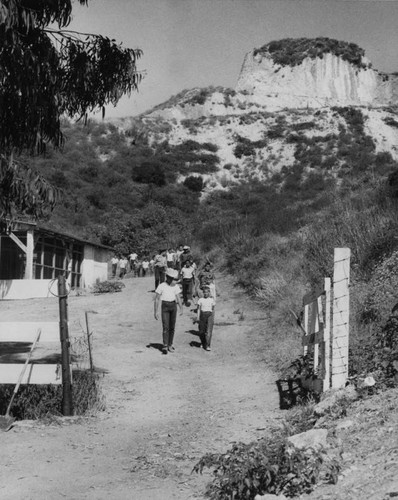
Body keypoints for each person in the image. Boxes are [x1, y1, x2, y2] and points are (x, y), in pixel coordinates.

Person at [154, 269, 183, 354]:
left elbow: (178, 298)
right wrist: (155, 312)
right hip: (165, 307)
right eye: (174, 279)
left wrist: (181, 308)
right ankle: (165, 345)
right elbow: (157, 299)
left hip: (173, 306)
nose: (176, 281)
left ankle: (170, 344)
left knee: (172, 327)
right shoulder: (162, 286)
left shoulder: (176, 287)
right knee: (165, 326)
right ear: (169, 278)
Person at [197, 286, 216, 351]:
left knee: (209, 331)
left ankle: (208, 345)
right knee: (202, 331)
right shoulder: (200, 300)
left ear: (209, 293)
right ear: (203, 293)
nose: (205, 294)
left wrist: (213, 317)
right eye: (204, 292)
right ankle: (203, 342)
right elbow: (198, 309)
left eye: (207, 292)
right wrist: (197, 317)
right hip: (202, 315)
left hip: (209, 315)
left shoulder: (211, 300)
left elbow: (213, 309)